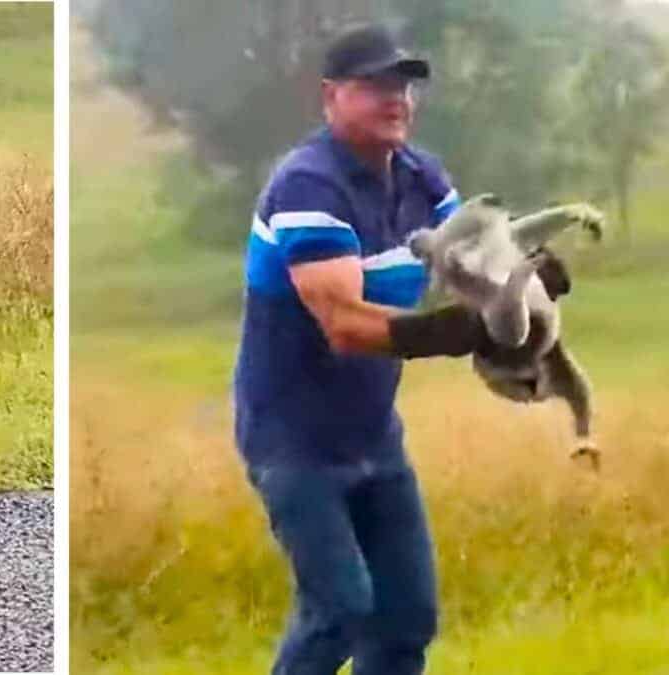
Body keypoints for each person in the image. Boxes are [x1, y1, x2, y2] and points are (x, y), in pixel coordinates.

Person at [232, 23, 565, 674]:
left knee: (407, 617)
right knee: (341, 611)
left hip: (374, 435)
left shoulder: (421, 176)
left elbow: (480, 264)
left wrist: (528, 297)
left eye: (405, 85)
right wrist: (467, 330)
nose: (398, 99)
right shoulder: (308, 187)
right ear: (330, 95)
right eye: (376, 85)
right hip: (293, 440)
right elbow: (346, 324)